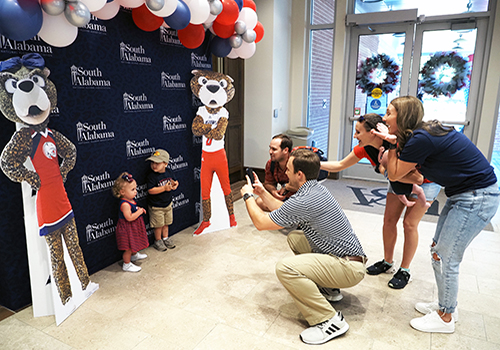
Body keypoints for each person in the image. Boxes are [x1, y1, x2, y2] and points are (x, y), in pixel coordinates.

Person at [372, 95, 499, 333]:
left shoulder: (420, 138)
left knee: (446, 257)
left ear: (403, 117)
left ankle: (445, 317)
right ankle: (447, 305)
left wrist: (391, 144)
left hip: (477, 196)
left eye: (389, 113)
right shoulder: (418, 136)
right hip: (463, 194)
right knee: (438, 251)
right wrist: (395, 143)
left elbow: (396, 174)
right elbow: (416, 177)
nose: (385, 117)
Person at [241, 148, 366, 345]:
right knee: (296, 237)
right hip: (349, 258)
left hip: (348, 267)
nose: (285, 173)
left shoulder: (306, 200)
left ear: (300, 174)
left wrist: (248, 196)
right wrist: (262, 193)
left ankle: (329, 320)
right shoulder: (315, 189)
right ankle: (329, 288)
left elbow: (261, 223)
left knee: (286, 268)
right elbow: (283, 211)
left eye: (289, 170)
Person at [320, 113, 440, 289]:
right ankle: (387, 261)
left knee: (409, 224)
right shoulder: (364, 148)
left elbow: (419, 178)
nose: (355, 136)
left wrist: (387, 170)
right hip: (397, 179)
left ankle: (405, 270)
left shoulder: (399, 144)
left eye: (358, 132)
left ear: (373, 132)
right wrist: (314, 163)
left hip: (427, 180)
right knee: (389, 221)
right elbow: (339, 165)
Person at [112, 172, 149, 273]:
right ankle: (126, 264)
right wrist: (139, 211)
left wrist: (138, 209)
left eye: (135, 189)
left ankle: (134, 255)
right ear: (122, 192)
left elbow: (134, 210)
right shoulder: (125, 204)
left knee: (133, 242)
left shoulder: (131, 200)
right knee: (128, 247)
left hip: (132, 227)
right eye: (132, 190)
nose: (135, 191)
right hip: (126, 229)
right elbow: (129, 217)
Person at [146, 149, 179, 251]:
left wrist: (175, 185)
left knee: (166, 223)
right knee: (158, 225)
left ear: (165, 164)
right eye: (152, 162)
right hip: (156, 206)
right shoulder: (151, 176)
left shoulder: (169, 172)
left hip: (167, 204)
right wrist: (164, 188)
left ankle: (166, 238)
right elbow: (151, 190)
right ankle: (158, 240)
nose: (154, 165)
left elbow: (175, 181)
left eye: (157, 163)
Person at [255, 134, 297, 211]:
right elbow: (268, 183)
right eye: (270, 148)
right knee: (259, 201)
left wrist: (286, 187)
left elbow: (304, 187)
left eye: (274, 149)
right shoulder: (271, 163)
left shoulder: (296, 163)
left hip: (299, 199)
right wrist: (273, 191)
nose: (270, 152)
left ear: (285, 150)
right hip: (284, 198)